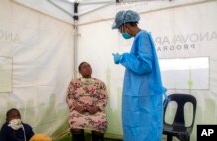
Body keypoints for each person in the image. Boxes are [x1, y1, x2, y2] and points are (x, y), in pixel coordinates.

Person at [111, 10, 166, 141]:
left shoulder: (143, 36)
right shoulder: (139, 38)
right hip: (139, 93)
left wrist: (123, 58)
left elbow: (145, 65)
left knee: (144, 128)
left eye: (120, 29)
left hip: (143, 95)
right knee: (136, 125)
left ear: (126, 25)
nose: (120, 32)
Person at [66, 62, 108, 141]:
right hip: (78, 110)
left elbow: (104, 98)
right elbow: (69, 97)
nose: (87, 68)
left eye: (89, 66)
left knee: (101, 123)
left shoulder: (99, 83)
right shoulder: (74, 83)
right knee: (75, 123)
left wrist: (97, 108)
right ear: (80, 71)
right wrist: (76, 106)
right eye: (84, 67)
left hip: (95, 110)